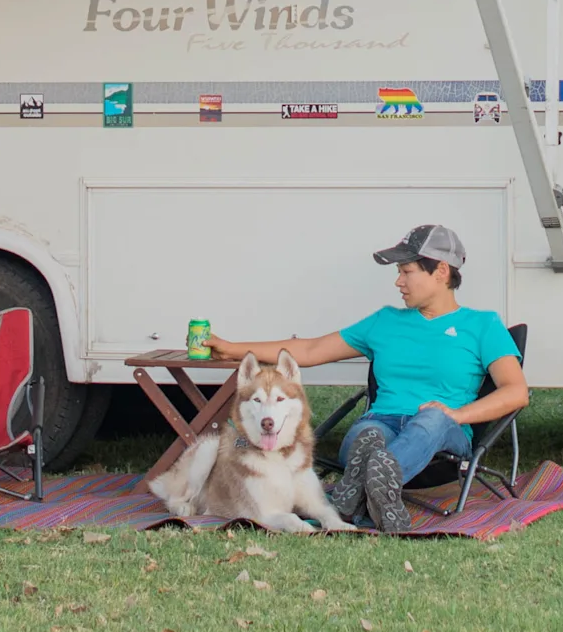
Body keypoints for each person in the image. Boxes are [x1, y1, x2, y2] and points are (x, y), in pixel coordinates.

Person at [206, 223, 523, 534]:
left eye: (406, 271)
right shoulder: (385, 322)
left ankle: (366, 484)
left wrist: (456, 414)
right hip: (383, 421)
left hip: (442, 431)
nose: (399, 282)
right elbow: (312, 349)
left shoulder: (482, 325)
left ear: (441, 271)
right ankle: (372, 488)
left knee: (431, 419)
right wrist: (232, 348)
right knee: (367, 432)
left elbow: (516, 392)